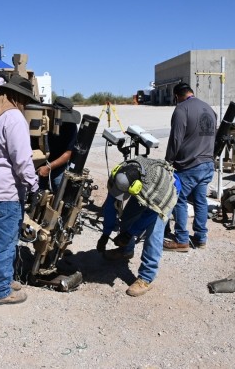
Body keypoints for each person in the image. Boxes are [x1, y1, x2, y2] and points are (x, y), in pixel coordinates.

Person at [0, 74, 39, 305]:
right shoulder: (13, 118)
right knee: (4, 242)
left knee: (2, 238)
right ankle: (1, 291)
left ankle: (4, 277)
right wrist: (33, 184)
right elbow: (23, 161)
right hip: (6, 193)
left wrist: (0, 79)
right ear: (19, 97)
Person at [96, 156, 180, 297]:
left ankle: (146, 278)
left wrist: (130, 234)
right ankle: (126, 251)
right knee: (127, 218)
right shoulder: (118, 174)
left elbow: (149, 215)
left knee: (153, 234)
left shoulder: (156, 189)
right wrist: (105, 233)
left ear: (136, 188)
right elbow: (111, 206)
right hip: (143, 187)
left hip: (166, 191)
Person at [164, 82, 216, 252]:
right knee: (200, 201)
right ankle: (201, 239)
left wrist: (168, 160)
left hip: (190, 165)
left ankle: (181, 240)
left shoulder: (181, 109)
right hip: (207, 163)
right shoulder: (208, 108)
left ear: (177, 96)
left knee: (179, 200)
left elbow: (175, 139)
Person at [37, 97, 80, 192]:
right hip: (39, 164)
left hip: (59, 165)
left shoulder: (71, 126)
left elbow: (68, 153)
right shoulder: (42, 120)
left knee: (60, 188)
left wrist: (49, 167)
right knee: (37, 190)